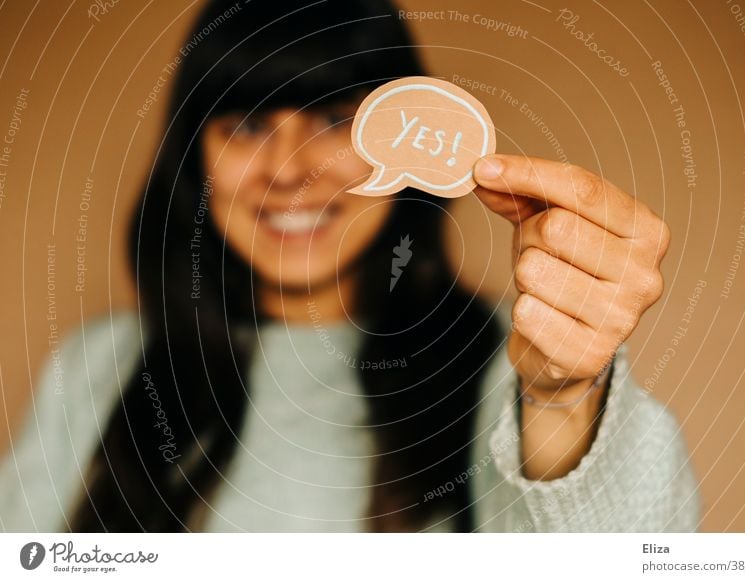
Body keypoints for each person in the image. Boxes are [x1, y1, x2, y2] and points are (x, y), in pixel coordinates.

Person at [0, 0, 700, 533]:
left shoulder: (506, 358)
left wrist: (561, 394)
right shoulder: (98, 365)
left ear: (414, 146)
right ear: (196, 157)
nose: (289, 170)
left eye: (334, 119)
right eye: (246, 125)